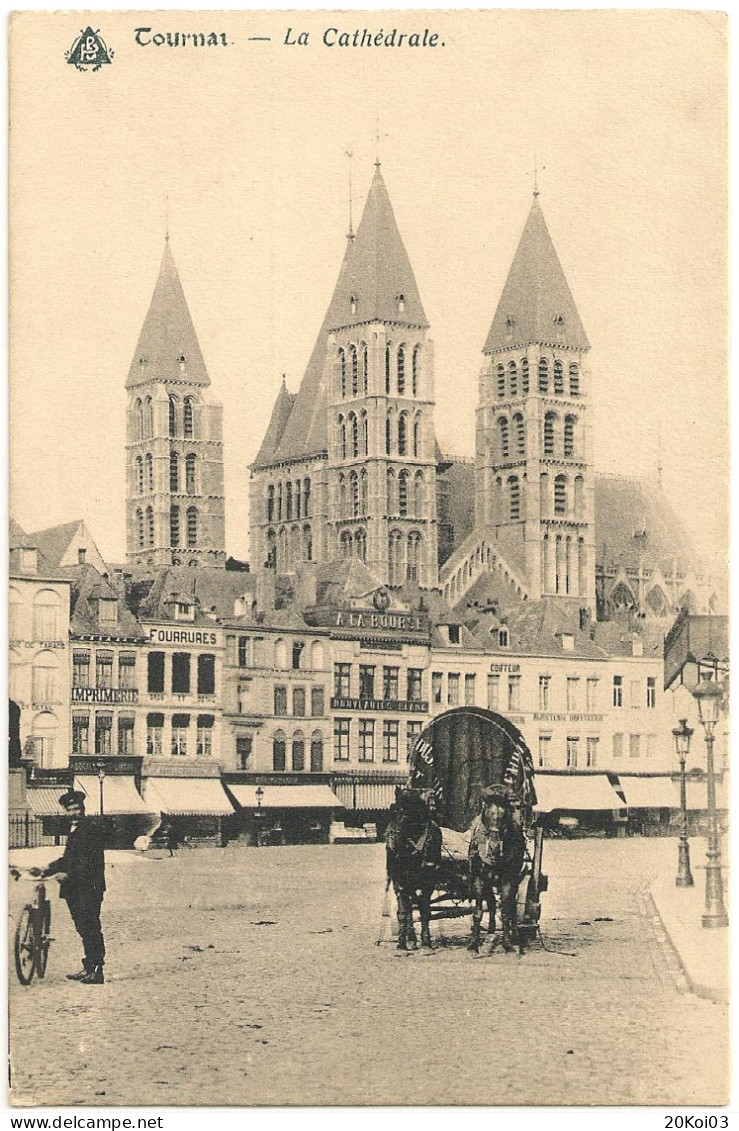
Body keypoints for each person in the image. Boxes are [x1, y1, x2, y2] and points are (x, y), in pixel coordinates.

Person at [31, 789, 106, 984]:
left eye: (77, 809)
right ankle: (88, 967)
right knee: (82, 927)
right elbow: (68, 859)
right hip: (76, 888)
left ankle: (97, 971)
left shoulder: (91, 828)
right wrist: (45, 870)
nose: (73, 812)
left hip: (89, 887)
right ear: (65, 811)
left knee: (90, 927)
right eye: (70, 809)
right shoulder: (74, 829)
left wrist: (68, 875)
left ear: (83, 809)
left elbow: (88, 861)